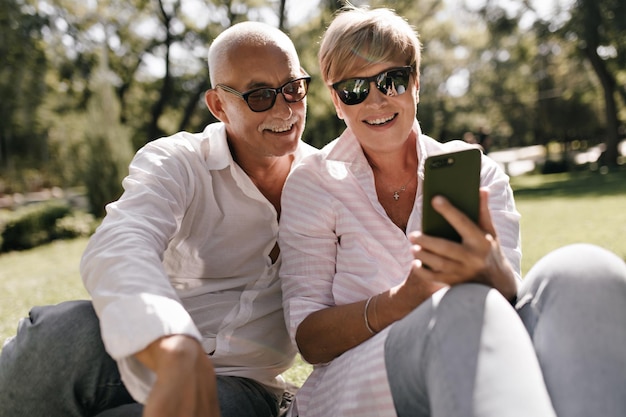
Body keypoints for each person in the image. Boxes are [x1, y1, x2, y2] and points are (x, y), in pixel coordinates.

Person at [278, 4, 626, 417]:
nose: (376, 99)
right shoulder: (313, 184)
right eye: (355, 88)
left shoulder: (478, 172)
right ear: (337, 102)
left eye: (392, 80)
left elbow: (510, 303)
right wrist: (403, 300)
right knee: (457, 310)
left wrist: (494, 269)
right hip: (356, 382)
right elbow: (310, 341)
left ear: (417, 84)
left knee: (584, 269)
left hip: (480, 346)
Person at [0, 21, 316, 417]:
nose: (285, 109)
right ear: (218, 106)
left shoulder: (326, 181)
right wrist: (170, 340)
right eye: (260, 96)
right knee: (54, 336)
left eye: (293, 88)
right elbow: (122, 242)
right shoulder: (177, 161)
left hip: (246, 385)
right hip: (148, 352)